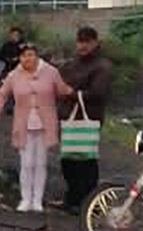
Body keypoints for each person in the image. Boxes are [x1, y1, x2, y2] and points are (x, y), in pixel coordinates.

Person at [0, 43, 74, 213]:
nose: (27, 59)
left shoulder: (51, 72)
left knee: (41, 163)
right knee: (26, 163)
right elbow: (1, 94)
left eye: (30, 55)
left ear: (36, 56)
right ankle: (25, 199)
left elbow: (63, 90)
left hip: (45, 124)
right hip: (24, 124)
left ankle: (37, 200)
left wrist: (75, 93)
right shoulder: (14, 75)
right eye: (23, 56)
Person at [58, 26, 113, 212]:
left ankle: (89, 203)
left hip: (89, 119)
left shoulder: (102, 65)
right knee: (68, 161)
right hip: (70, 119)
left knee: (86, 162)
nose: (83, 45)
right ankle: (72, 199)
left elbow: (99, 93)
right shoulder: (73, 63)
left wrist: (73, 93)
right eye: (80, 41)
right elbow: (60, 80)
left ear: (95, 42)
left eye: (87, 41)